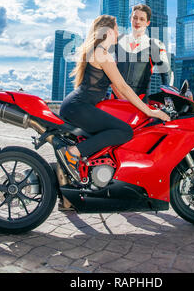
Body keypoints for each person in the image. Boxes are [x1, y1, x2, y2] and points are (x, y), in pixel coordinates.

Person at [59, 14, 170, 183]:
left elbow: (117, 89)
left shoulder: (99, 52)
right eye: (116, 30)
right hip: (79, 106)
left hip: (77, 105)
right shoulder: (102, 53)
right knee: (124, 131)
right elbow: (124, 86)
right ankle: (73, 152)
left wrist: (136, 108)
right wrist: (150, 111)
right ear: (109, 31)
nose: (118, 34)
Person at [113, 4, 173, 101]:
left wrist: (168, 100)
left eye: (142, 19)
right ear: (130, 19)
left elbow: (165, 74)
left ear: (147, 23)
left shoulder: (155, 45)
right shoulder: (117, 41)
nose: (137, 22)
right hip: (115, 99)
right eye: (135, 18)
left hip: (140, 101)